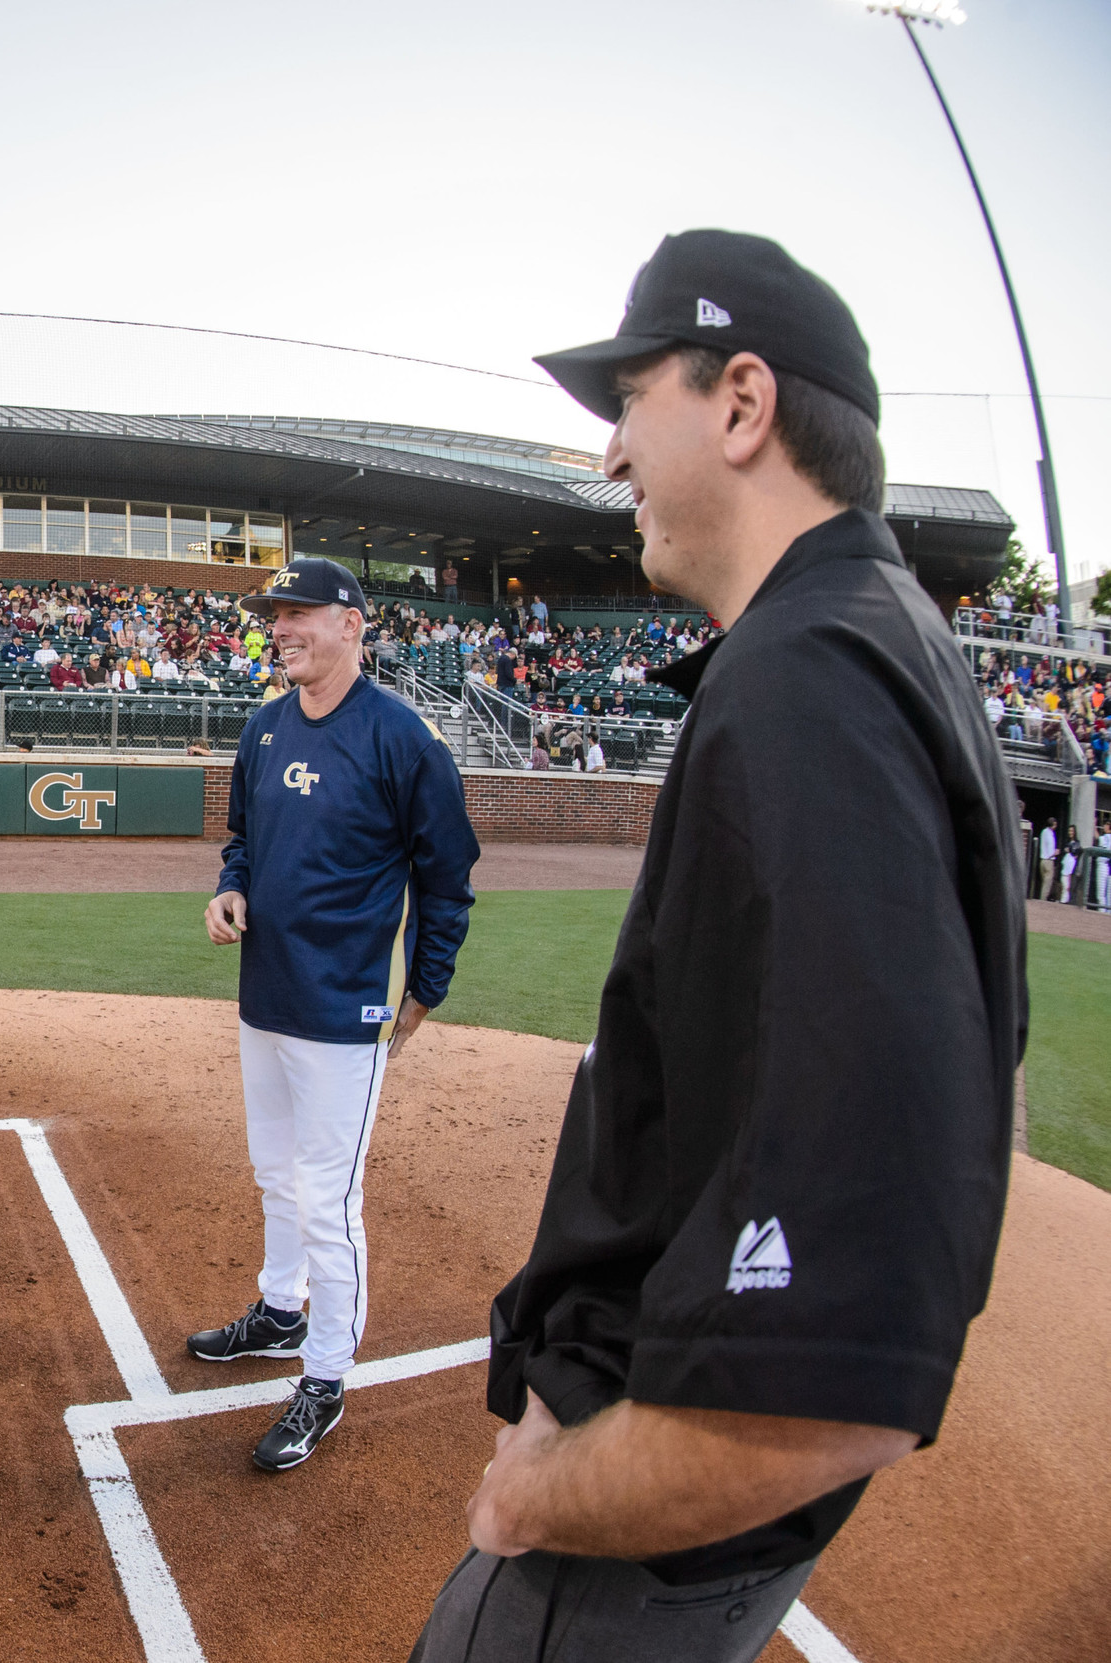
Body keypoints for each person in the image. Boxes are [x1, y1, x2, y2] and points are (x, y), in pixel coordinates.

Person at [407, 231, 1026, 1662]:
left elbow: (838, 1362)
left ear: (742, 404)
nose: (613, 454)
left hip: (640, 1532)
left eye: (632, 401)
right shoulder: (881, 640)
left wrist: (548, 1487)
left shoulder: (809, 677)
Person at [195, 556, 479, 1473]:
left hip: (344, 1005)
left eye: (299, 612)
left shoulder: (403, 739)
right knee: (276, 1174)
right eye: (274, 614)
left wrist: (424, 987)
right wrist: (229, 893)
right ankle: (282, 1312)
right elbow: (243, 842)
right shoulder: (266, 727)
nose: (280, 627)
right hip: (265, 995)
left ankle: (324, 1374)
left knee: (328, 1198)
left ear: (354, 624)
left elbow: (447, 880)